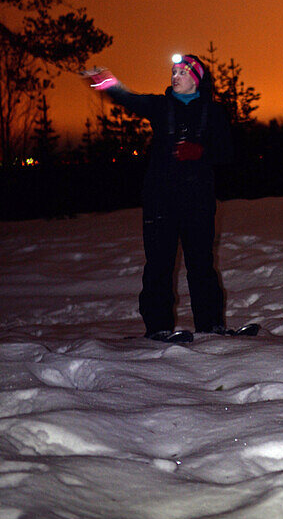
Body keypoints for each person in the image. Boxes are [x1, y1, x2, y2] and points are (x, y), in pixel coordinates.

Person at [82, 53, 232, 343]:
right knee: (159, 264)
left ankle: (211, 324)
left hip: (199, 201)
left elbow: (228, 153)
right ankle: (157, 327)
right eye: (173, 72)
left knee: (201, 263)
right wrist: (107, 84)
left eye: (182, 72)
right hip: (160, 200)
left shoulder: (213, 112)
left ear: (197, 78)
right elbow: (130, 99)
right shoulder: (161, 106)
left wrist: (201, 152)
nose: (175, 76)